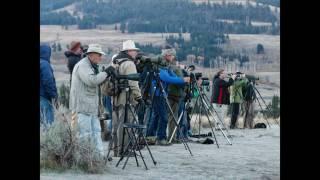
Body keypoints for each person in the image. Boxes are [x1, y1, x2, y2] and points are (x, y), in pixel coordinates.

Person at [69, 44, 113, 158]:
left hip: (91, 107)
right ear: (92, 55)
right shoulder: (83, 66)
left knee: (96, 132)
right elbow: (92, 81)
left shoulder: (91, 66)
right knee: (84, 134)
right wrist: (107, 72)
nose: (101, 58)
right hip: (82, 107)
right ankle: (85, 158)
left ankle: (98, 157)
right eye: (99, 55)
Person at [146, 46, 190, 145]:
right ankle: (161, 138)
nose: (173, 57)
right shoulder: (160, 65)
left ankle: (150, 137)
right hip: (157, 94)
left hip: (161, 93)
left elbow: (172, 76)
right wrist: (182, 80)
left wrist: (181, 80)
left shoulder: (166, 65)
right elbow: (167, 78)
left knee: (156, 116)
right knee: (164, 117)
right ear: (167, 55)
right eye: (172, 55)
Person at [110, 40, 143, 157]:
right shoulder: (129, 64)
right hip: (126, 98)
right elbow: (133, 83)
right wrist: (139, 97)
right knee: (126, 124)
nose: (135, 53)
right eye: (134, 50)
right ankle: (124, 150)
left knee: (116, 125)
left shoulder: (116, 62)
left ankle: (115, 149)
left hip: (115, 98)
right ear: (129, 51)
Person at [40, 44, 58, 127]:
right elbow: (48, 82)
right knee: (48, 125)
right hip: (44, 98)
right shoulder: (44, 64)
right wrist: (54, 96)